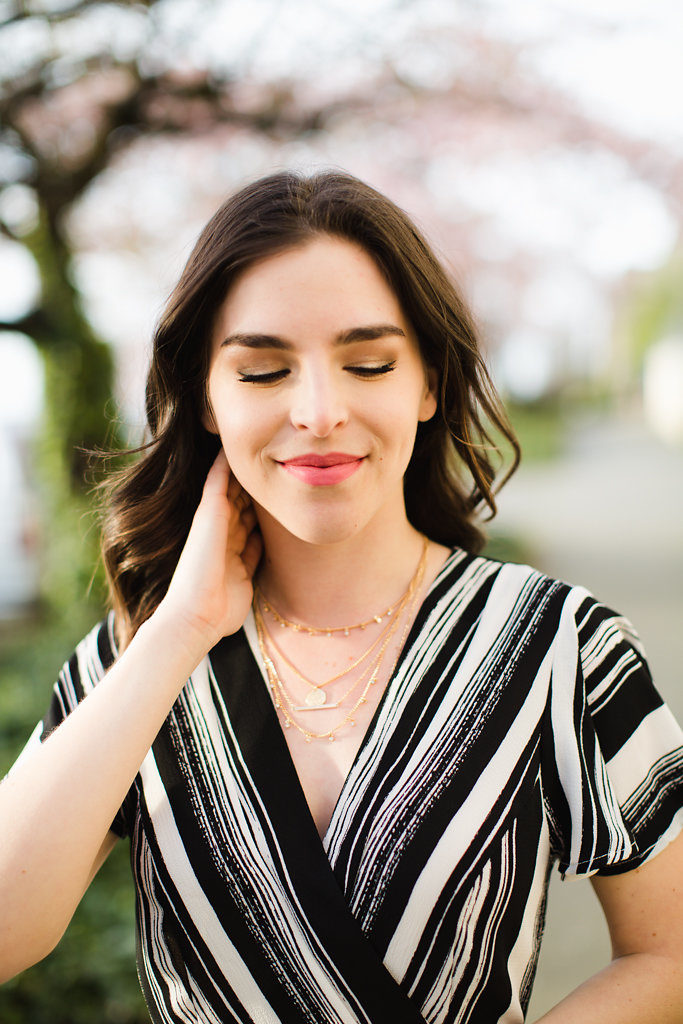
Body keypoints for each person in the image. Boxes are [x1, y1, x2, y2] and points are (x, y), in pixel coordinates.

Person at [1, 170, 682, 1024]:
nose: (319, 411)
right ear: (205, 400)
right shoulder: (132, 659)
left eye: (366, 363)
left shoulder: (559, 644)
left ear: (427, 384)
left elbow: (666, 954)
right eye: (261, 371)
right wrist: (177, 632)